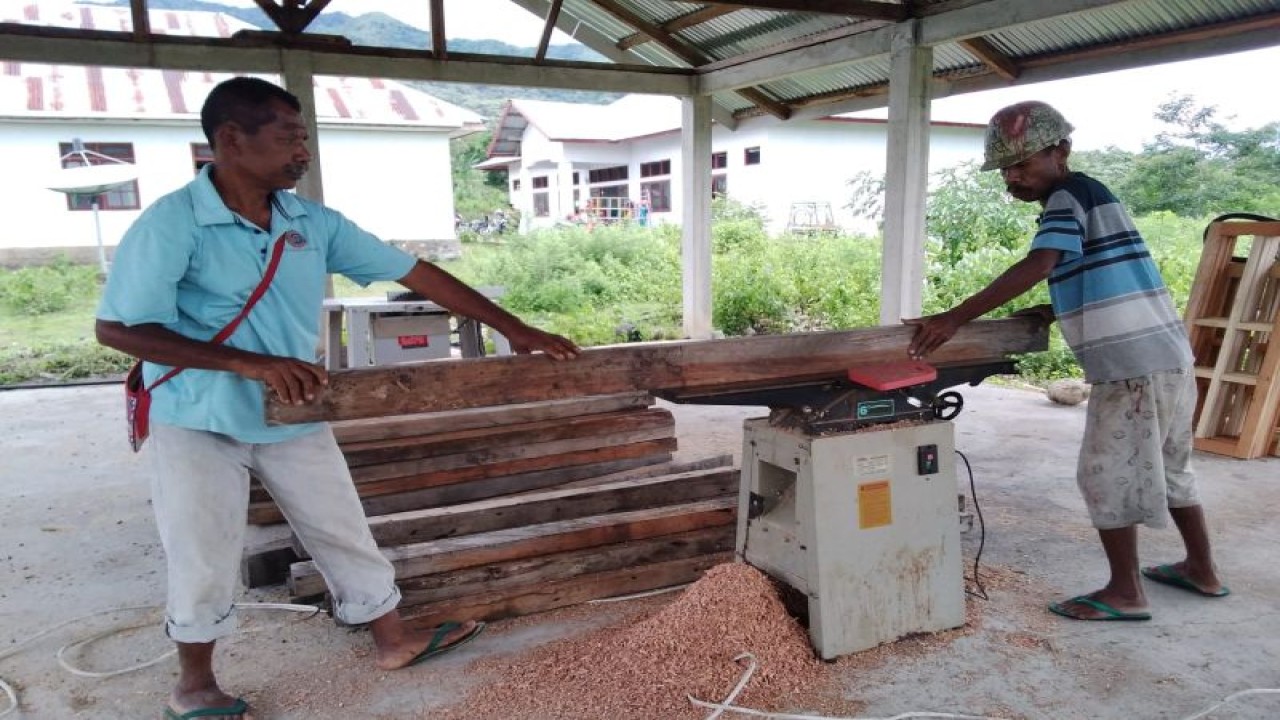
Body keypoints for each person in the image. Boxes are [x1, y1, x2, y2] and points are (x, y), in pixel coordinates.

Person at [95, 77, 580, 720]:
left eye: (304, 137)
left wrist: (513, 327)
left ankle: (394, 640)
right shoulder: (175, 221)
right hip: (198, 415)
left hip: (295, 410)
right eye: (288, 138)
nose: (303, 151)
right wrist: (251, 363)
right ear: (230, 141)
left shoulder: (308, 221)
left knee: (344, 530)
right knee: (202, 549)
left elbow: (416, 273)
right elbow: (118, 329)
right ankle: (195, 685)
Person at [905, 100, 1227, 623]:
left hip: (1130, 368)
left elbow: (1041, 261)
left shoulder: (1065, 197)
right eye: (1005, 168)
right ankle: (1200, 569)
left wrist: (955, 317)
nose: (1013, 176)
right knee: (1171, 469)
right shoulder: (1094, 195)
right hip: (1166, 357)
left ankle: (1125, 592)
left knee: (1105, 473)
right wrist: (1053, 308)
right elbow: (1096, 271)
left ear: (1061, 152)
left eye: (1024, 162)